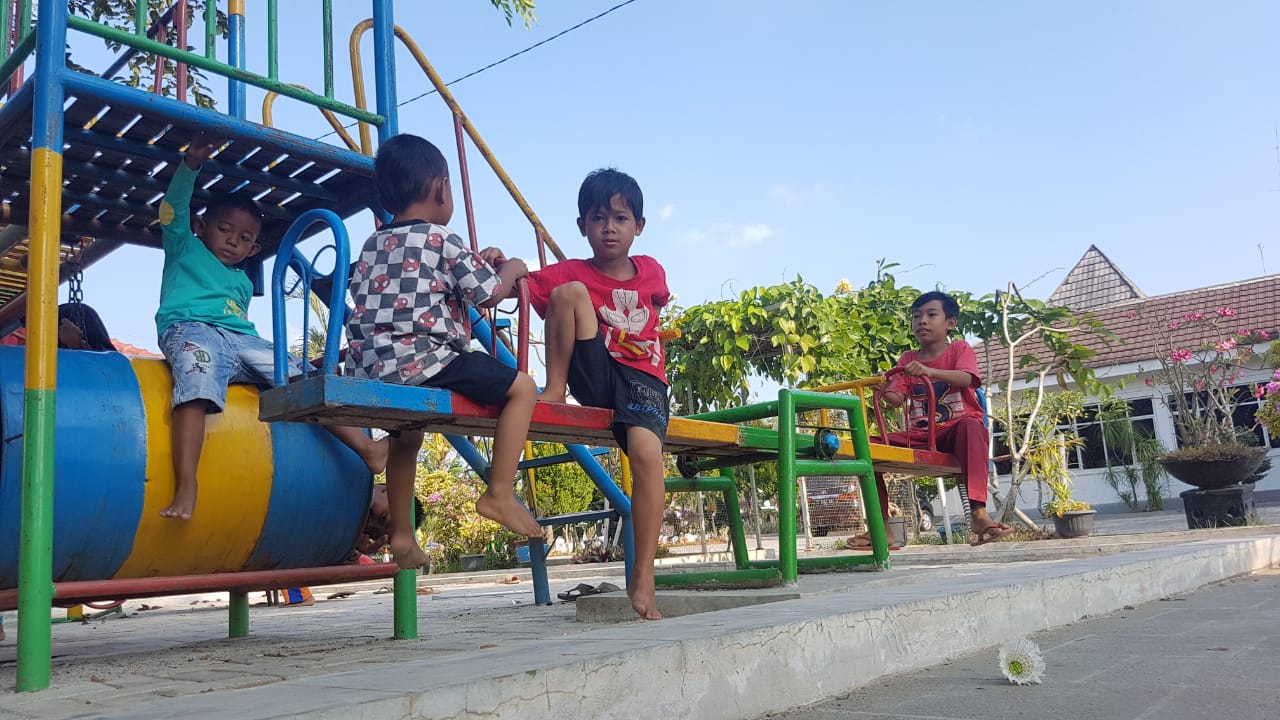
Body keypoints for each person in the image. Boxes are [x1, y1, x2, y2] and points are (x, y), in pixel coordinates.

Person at [156, 134, 388, 521]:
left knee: (303, 377)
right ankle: (187, 483)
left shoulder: (242, 280)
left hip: (242, 339)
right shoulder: (185, 246)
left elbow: (241, 331)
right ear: (201, 226)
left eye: (244, 238)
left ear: (253, 249)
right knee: (196, 385)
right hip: (193, 329)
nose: (233, 241)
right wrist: (190, 166)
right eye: (224, 229)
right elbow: (171, 210)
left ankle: (368, 450)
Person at [345, 133, 542, 570]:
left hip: (369, 366)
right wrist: (512, 267)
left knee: (408, 435)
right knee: (523, 389)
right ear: (441, 189)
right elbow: (489, 294)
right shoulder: (441, 238)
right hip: (426, 358)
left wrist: (479, 261)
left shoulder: (372, 244)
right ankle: (499, 491)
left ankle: (402, 534)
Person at [524, 168, 670, 621]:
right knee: (568, 293)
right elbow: (525, 278)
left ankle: (643, 574)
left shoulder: (652, 270)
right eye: (598, 218)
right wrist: (503, 264)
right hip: (597, 374)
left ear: (638, 226)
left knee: (647, 456)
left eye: (620, 218)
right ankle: (554, 388)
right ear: (582, 225)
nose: (609, 228)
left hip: (643, 378)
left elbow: (656, 307)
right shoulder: (573, 271)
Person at [856, 291, 1013, 548]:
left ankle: (979, 514)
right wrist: (882, 389)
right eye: (917, 316)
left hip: (956, 430)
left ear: (950, 323)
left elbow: (968, 378)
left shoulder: (959, 349)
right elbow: (896, 398)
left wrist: (930, 371)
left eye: (931, 315)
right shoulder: (908, 359)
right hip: (921, 435)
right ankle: (880, 528)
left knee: (972, 425)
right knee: (865, 447)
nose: (922, 321)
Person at [277, 484, 425, 608]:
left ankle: (300, 597)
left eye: (372, 532)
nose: (370, 522)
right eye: (383, 517)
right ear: (385, 489)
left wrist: (345, 551)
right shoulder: (350, 479)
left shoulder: (337, 531)